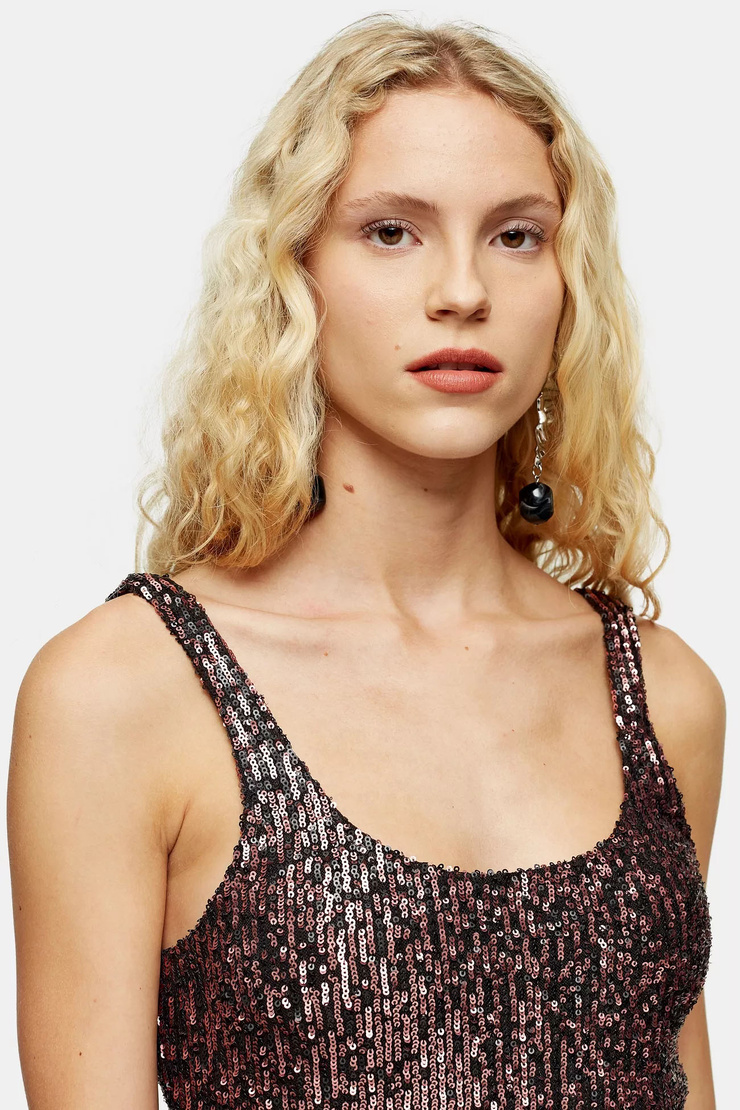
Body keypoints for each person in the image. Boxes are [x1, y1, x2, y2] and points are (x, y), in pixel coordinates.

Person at [8, 13, 725, 1110]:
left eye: (516, 235)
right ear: (294, 274)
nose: (462, 291)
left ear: (566, 287)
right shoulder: (125, 694)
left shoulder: (661, 694)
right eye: (391, 231)